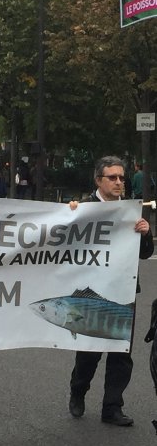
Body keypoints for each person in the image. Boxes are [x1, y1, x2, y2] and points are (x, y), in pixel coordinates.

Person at [68, 156, 153, 426]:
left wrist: (145, 232)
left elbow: (146, 253)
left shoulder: (131, 210)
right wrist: (67, 215)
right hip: (92, 292)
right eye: (112, 178)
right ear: (98, 181)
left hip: (123, 290)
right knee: (90, 350)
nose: (119, 182)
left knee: (121, 354)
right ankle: (78, 391)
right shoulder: (83, 208)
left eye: (121, 178)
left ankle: (112, 407)